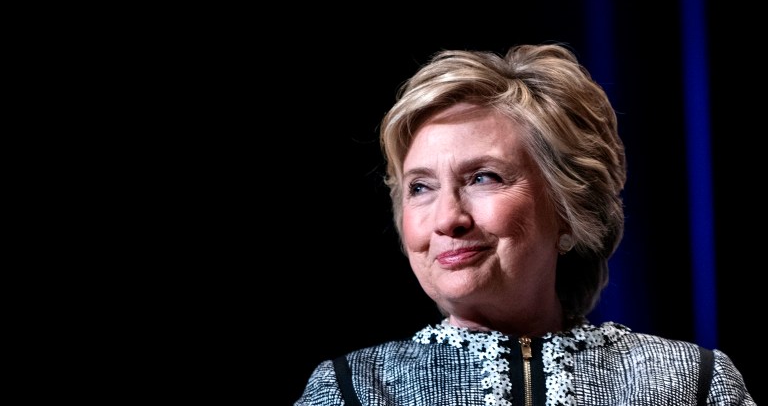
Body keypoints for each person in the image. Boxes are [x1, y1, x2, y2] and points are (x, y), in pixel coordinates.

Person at [294, 43, 755, 405]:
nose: (447, 219)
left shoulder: (691, 384)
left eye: (482, 177)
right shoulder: (352, 390)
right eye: (421, 187)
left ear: (570, 208)